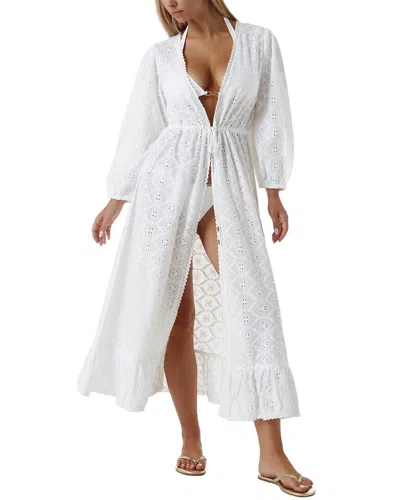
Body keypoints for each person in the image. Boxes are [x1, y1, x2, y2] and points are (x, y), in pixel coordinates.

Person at [78, 0, 315, 496]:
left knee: (254, 310)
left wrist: (274, 191)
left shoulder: (258, 43)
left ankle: (272, 453)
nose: (169, 3)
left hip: (229, 187)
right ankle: (191, 438)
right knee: (175, 316)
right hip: (165, 188)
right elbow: (140, 131)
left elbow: (272, 118)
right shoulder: (160, 57)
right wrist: (115, 201)